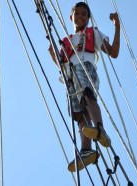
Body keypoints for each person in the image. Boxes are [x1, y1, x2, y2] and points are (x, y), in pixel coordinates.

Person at [48, 2, 120, 172]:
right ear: (71, 17)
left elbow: (114, 52)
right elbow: (61, 64)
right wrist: (53, 53)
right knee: (78, 113)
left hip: (85, 67)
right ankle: (86, 150)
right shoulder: (65, 41)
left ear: (88, 18)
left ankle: (100, 129)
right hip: (70, 77)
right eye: (77, 13)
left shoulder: (93, 33)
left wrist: (117, 27)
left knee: (87, 96)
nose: (80, 16)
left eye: (84, 14)